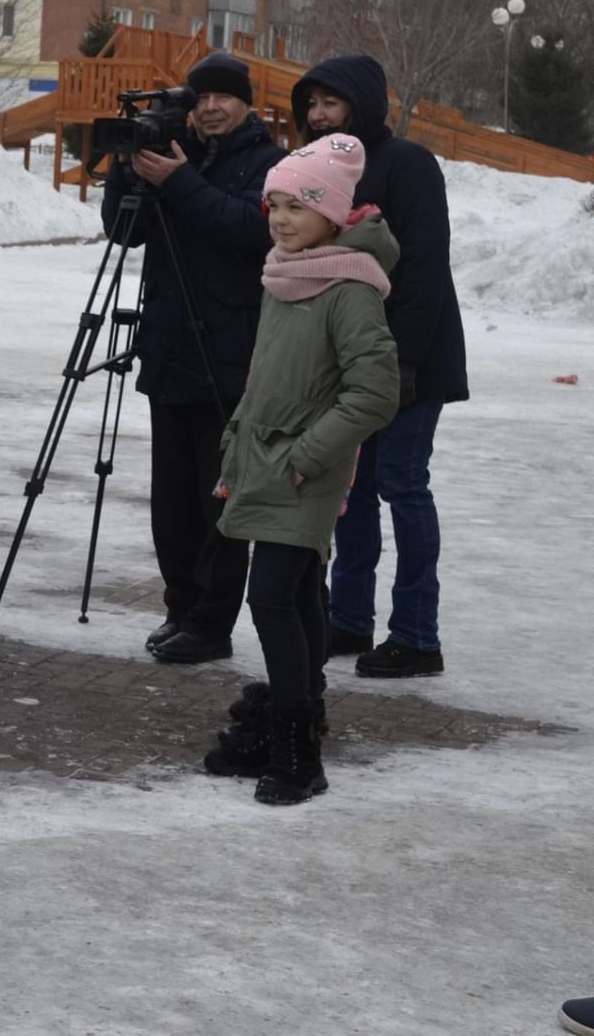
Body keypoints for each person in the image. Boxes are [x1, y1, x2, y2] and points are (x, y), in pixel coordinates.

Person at [205, 134, 399, 804]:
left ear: (334, 213)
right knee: (300, 595)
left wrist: (306, 456)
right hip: (267, 460)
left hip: (303, 469)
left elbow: (374, 391)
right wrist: (242, 440)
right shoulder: (287, 273)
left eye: (298, 205)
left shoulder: (348, 286)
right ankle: (301, 710)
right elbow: (270, 378)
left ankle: (297, 750)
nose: (282, 219)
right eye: (275, 205)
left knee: (270, 598)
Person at [100, 52, 288, 665]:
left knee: (218, 502)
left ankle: (212, 623)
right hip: (170, 348)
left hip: (230, 358)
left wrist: (178, 182)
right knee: (172, 501)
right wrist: (130, 170)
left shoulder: (267, 164)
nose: (210, 108)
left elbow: (248, 230)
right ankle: (180, 607)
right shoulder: (178, 151)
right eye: (201, 97)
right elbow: (125, 233)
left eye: (223, 97)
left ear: (245, 104)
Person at [292, 55, 467, 678]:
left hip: (409, 359)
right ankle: (350, 619)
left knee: (401, 483)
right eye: (310, 104)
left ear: (361, 104)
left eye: (330, 103)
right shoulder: (322, 173)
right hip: (347, 361)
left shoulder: (407, 164)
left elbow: (423, 268)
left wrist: (404, 361)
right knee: (353, 490)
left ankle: (418, 635)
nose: (317, 116)